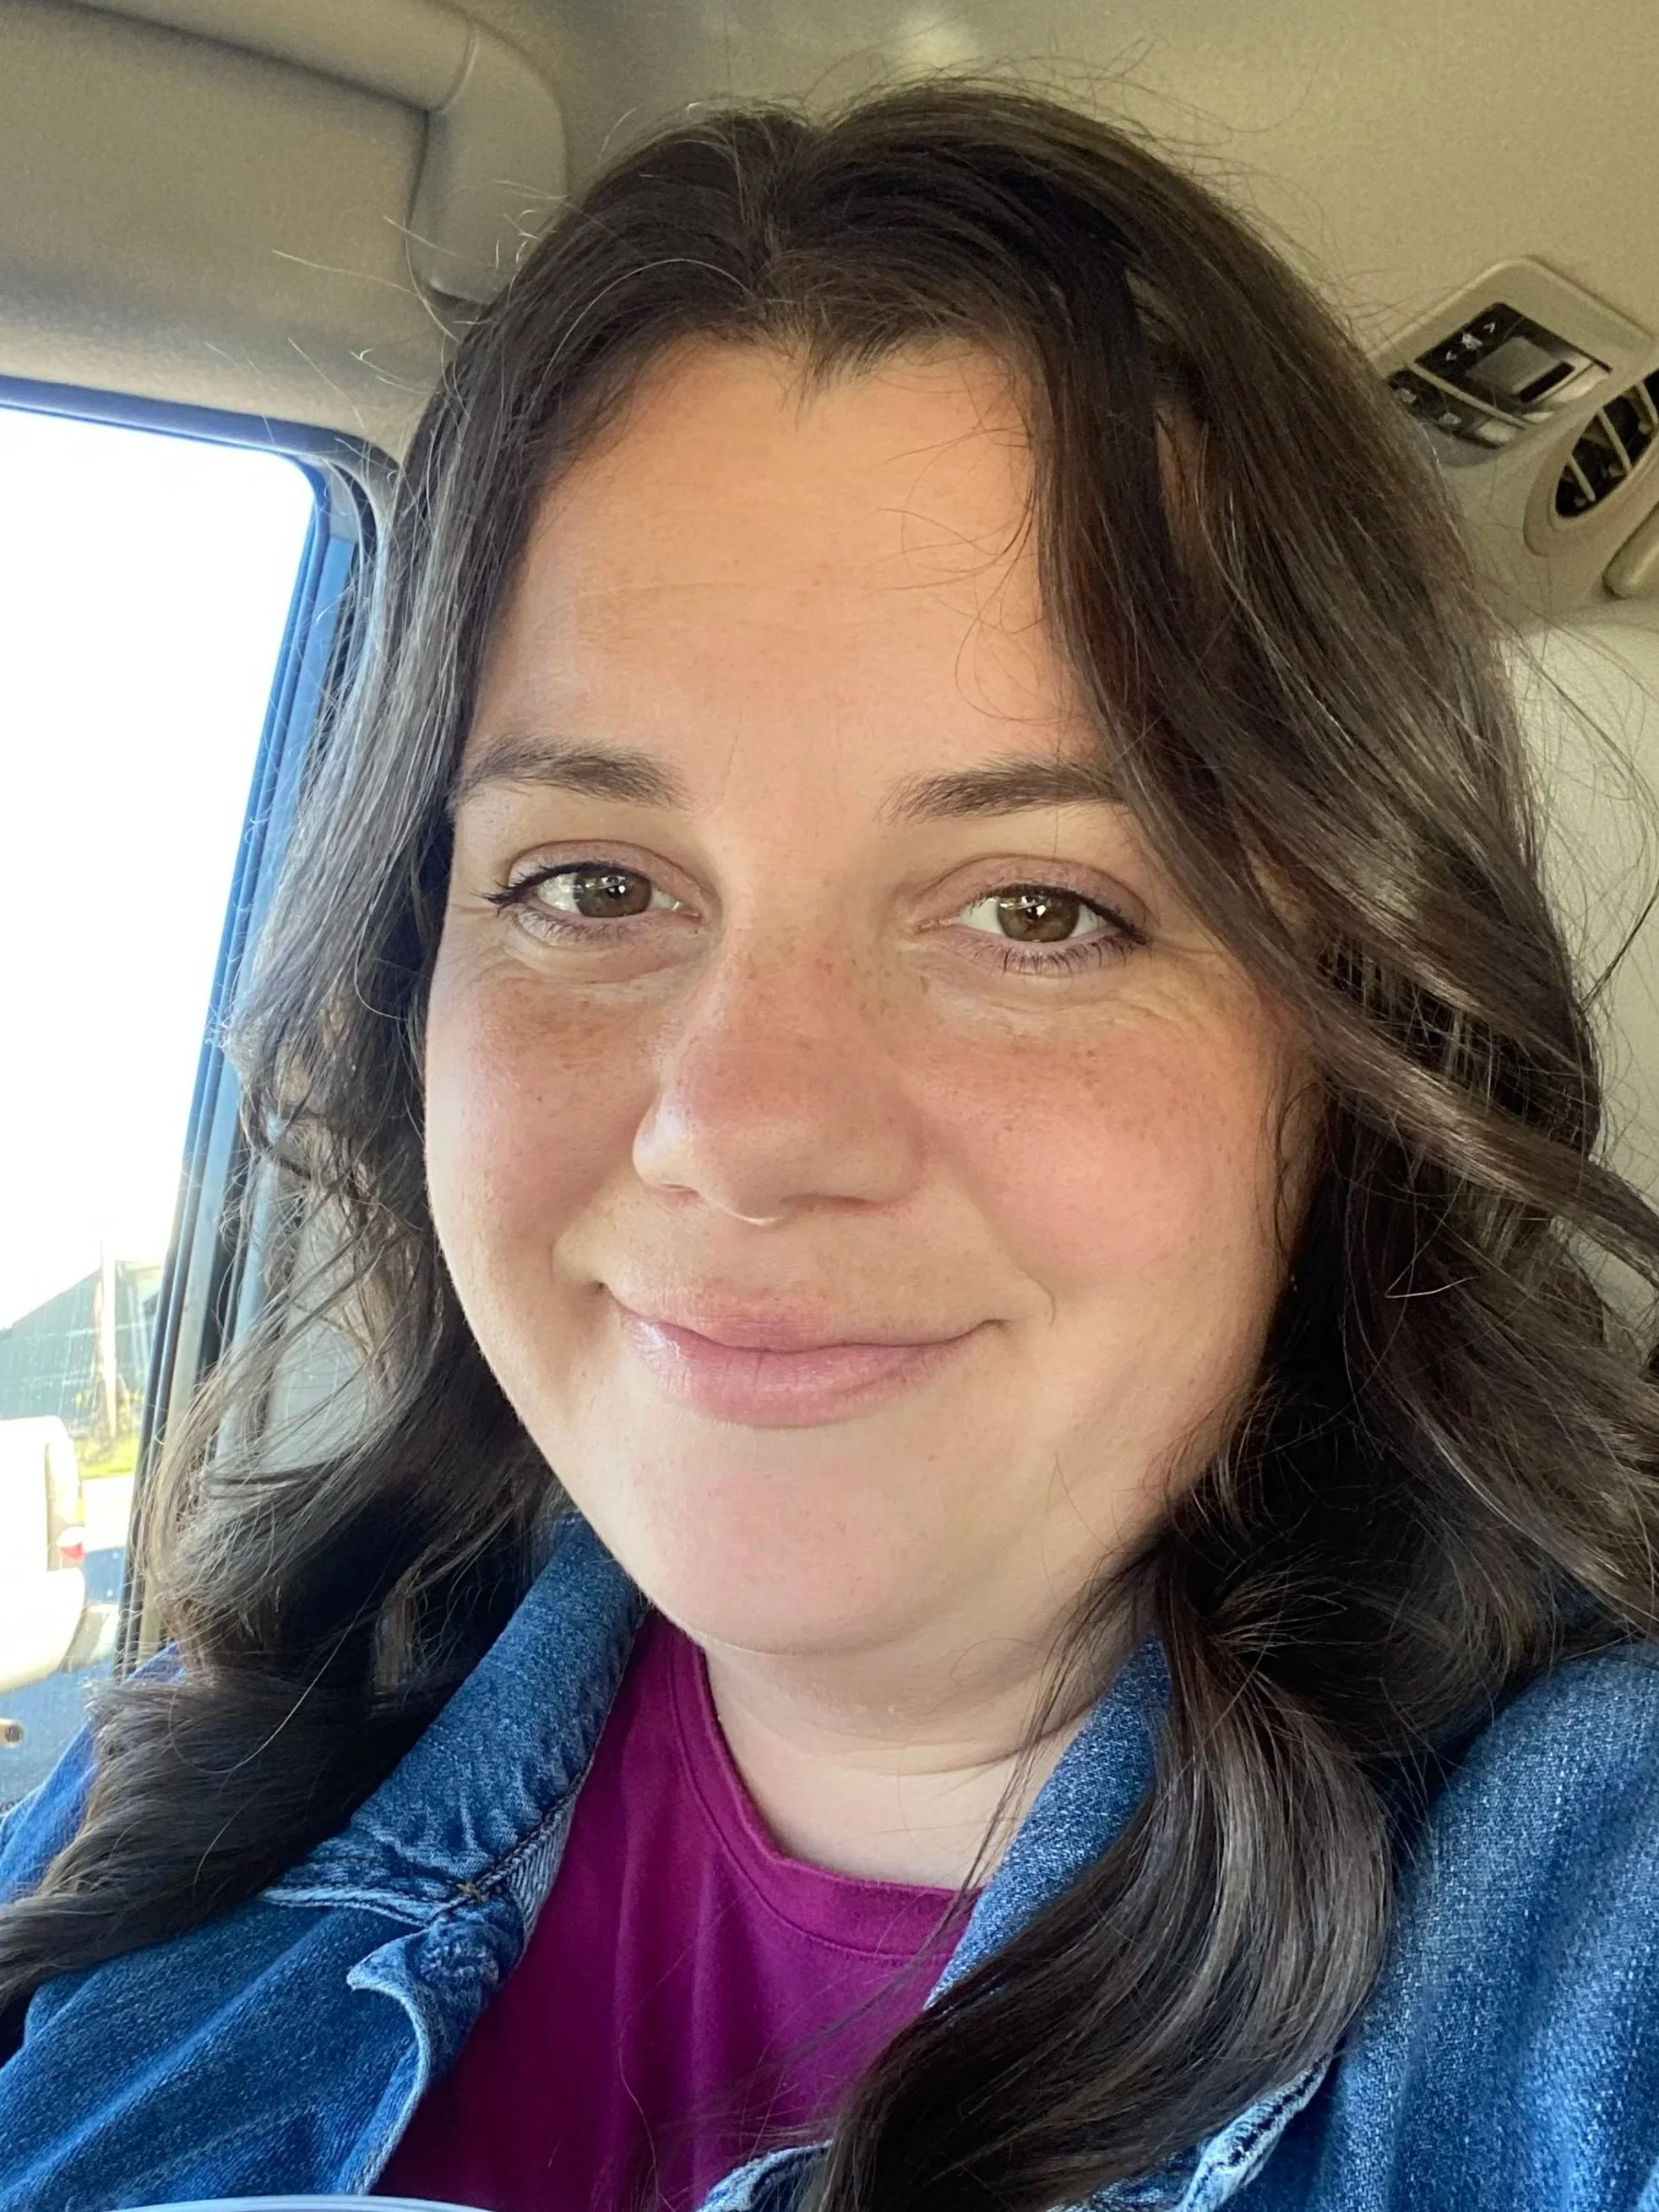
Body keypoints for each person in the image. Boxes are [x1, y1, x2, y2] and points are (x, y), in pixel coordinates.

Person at [3, 78, 1659, 2212]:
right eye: (594, 884)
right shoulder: (211, 1771)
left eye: (1038, 910)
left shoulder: (1585, 1955)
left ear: (1348, 1040)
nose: (739, 1130)